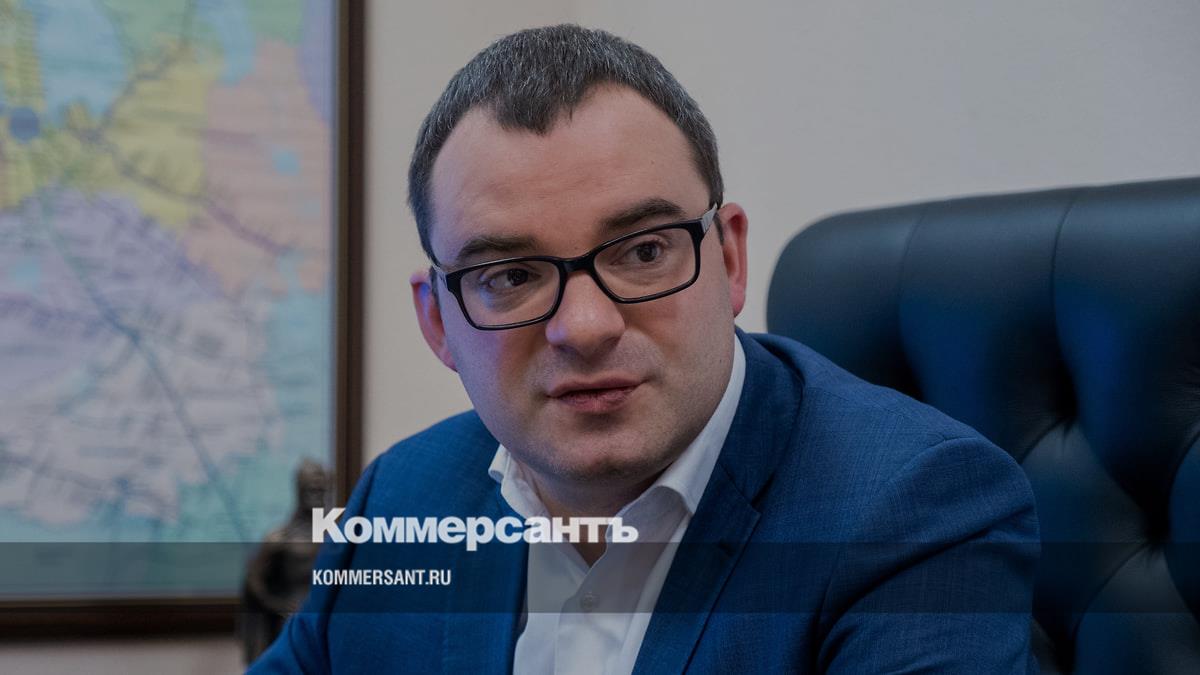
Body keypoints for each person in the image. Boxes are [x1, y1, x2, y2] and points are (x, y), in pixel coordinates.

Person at [250, 24, 1039, 674]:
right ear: (437, 322)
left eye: (643, 252)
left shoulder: (915, 511)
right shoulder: (402, 499)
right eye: (512, 275)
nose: (586, 325)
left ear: (729, 258)